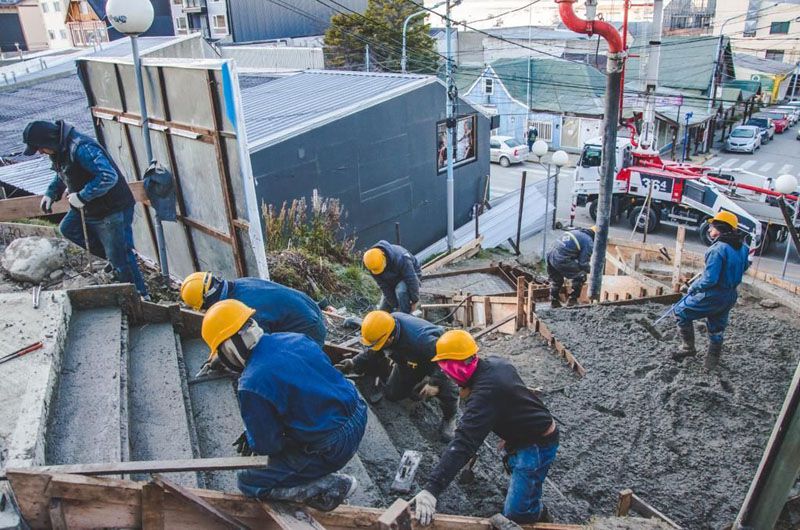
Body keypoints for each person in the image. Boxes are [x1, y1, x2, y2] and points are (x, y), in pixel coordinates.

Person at [200, 299, 366, 511]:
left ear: (229, 348)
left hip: (333, 445)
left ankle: (328, 485)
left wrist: (255, 434)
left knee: (249, 480)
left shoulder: (251, 383)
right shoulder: (294, 338)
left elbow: (269, 446)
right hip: (358, 412)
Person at [414, 330, 558, 525]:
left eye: (446, 369)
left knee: (518, 514)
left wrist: (432, 489)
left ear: (457, 366)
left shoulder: (485, 394)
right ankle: (528, 496)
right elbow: (518, 397)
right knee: (523, 484)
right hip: (524, 435)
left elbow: (464, 443)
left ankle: (538, 512)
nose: (445, 374)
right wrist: (511, 430)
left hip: (536, 445)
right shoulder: (496, 364)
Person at [23, 120, 148, 297]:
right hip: (90, 206)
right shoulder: (61, 150)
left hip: (111, 208)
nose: (40, 152)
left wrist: (83, 196)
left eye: (40, 148)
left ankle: (140, 296)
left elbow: (107, 176)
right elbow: (64, 173)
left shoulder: (81, 147)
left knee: (121, 256)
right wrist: (51, 193)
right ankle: (114, 261)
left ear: (48, 140)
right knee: (68, 228)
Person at [334, 310, 458, 441]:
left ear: (390, 338)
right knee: (393, 394)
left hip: (438, 360)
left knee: (448, 388)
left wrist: (435, 383)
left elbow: (449, 359)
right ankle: (420, 383)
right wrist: (354, 362)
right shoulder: (384, 326)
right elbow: (374, 350)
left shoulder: (422, 340)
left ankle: (450, 417)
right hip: (409, 361)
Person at [673, 211, 749, 370]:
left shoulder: (717, 249)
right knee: (717, 325)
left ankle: (688, 348)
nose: (709, 230)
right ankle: (712, 360)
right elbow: (744, 266)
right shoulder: (743, 248)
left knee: (680, 311)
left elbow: (709, 280)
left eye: (712, 226)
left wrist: (693, 287)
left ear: (721, 227)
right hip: (730, 295)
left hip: (714, 295)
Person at [180, 272, 328, 347]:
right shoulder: (240, 283)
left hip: (310, 329)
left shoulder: (245, 309)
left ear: (207, 302)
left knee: (285, 367)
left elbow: (262, 345)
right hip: (308, 307)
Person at [363, 241, 422, 314]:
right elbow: (384, 287)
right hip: (392, 280)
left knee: (401, 291)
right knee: (382, 310)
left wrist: (415, 300)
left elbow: (411, 278)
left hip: (408, 276)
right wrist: (395, 306)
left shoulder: (401, 258)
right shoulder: (372, 265)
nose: (381, 271)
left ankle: (406, 315)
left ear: (384, 256)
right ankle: (399, 311)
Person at [546, 226, 596, 307]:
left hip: (549, 254)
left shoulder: (577, 232)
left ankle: (554, 301)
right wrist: (593, 272)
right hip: (561, 258)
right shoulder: (588, 241)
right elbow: (583, 263)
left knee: (556, 280)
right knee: (581, 275)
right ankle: (572, 300)